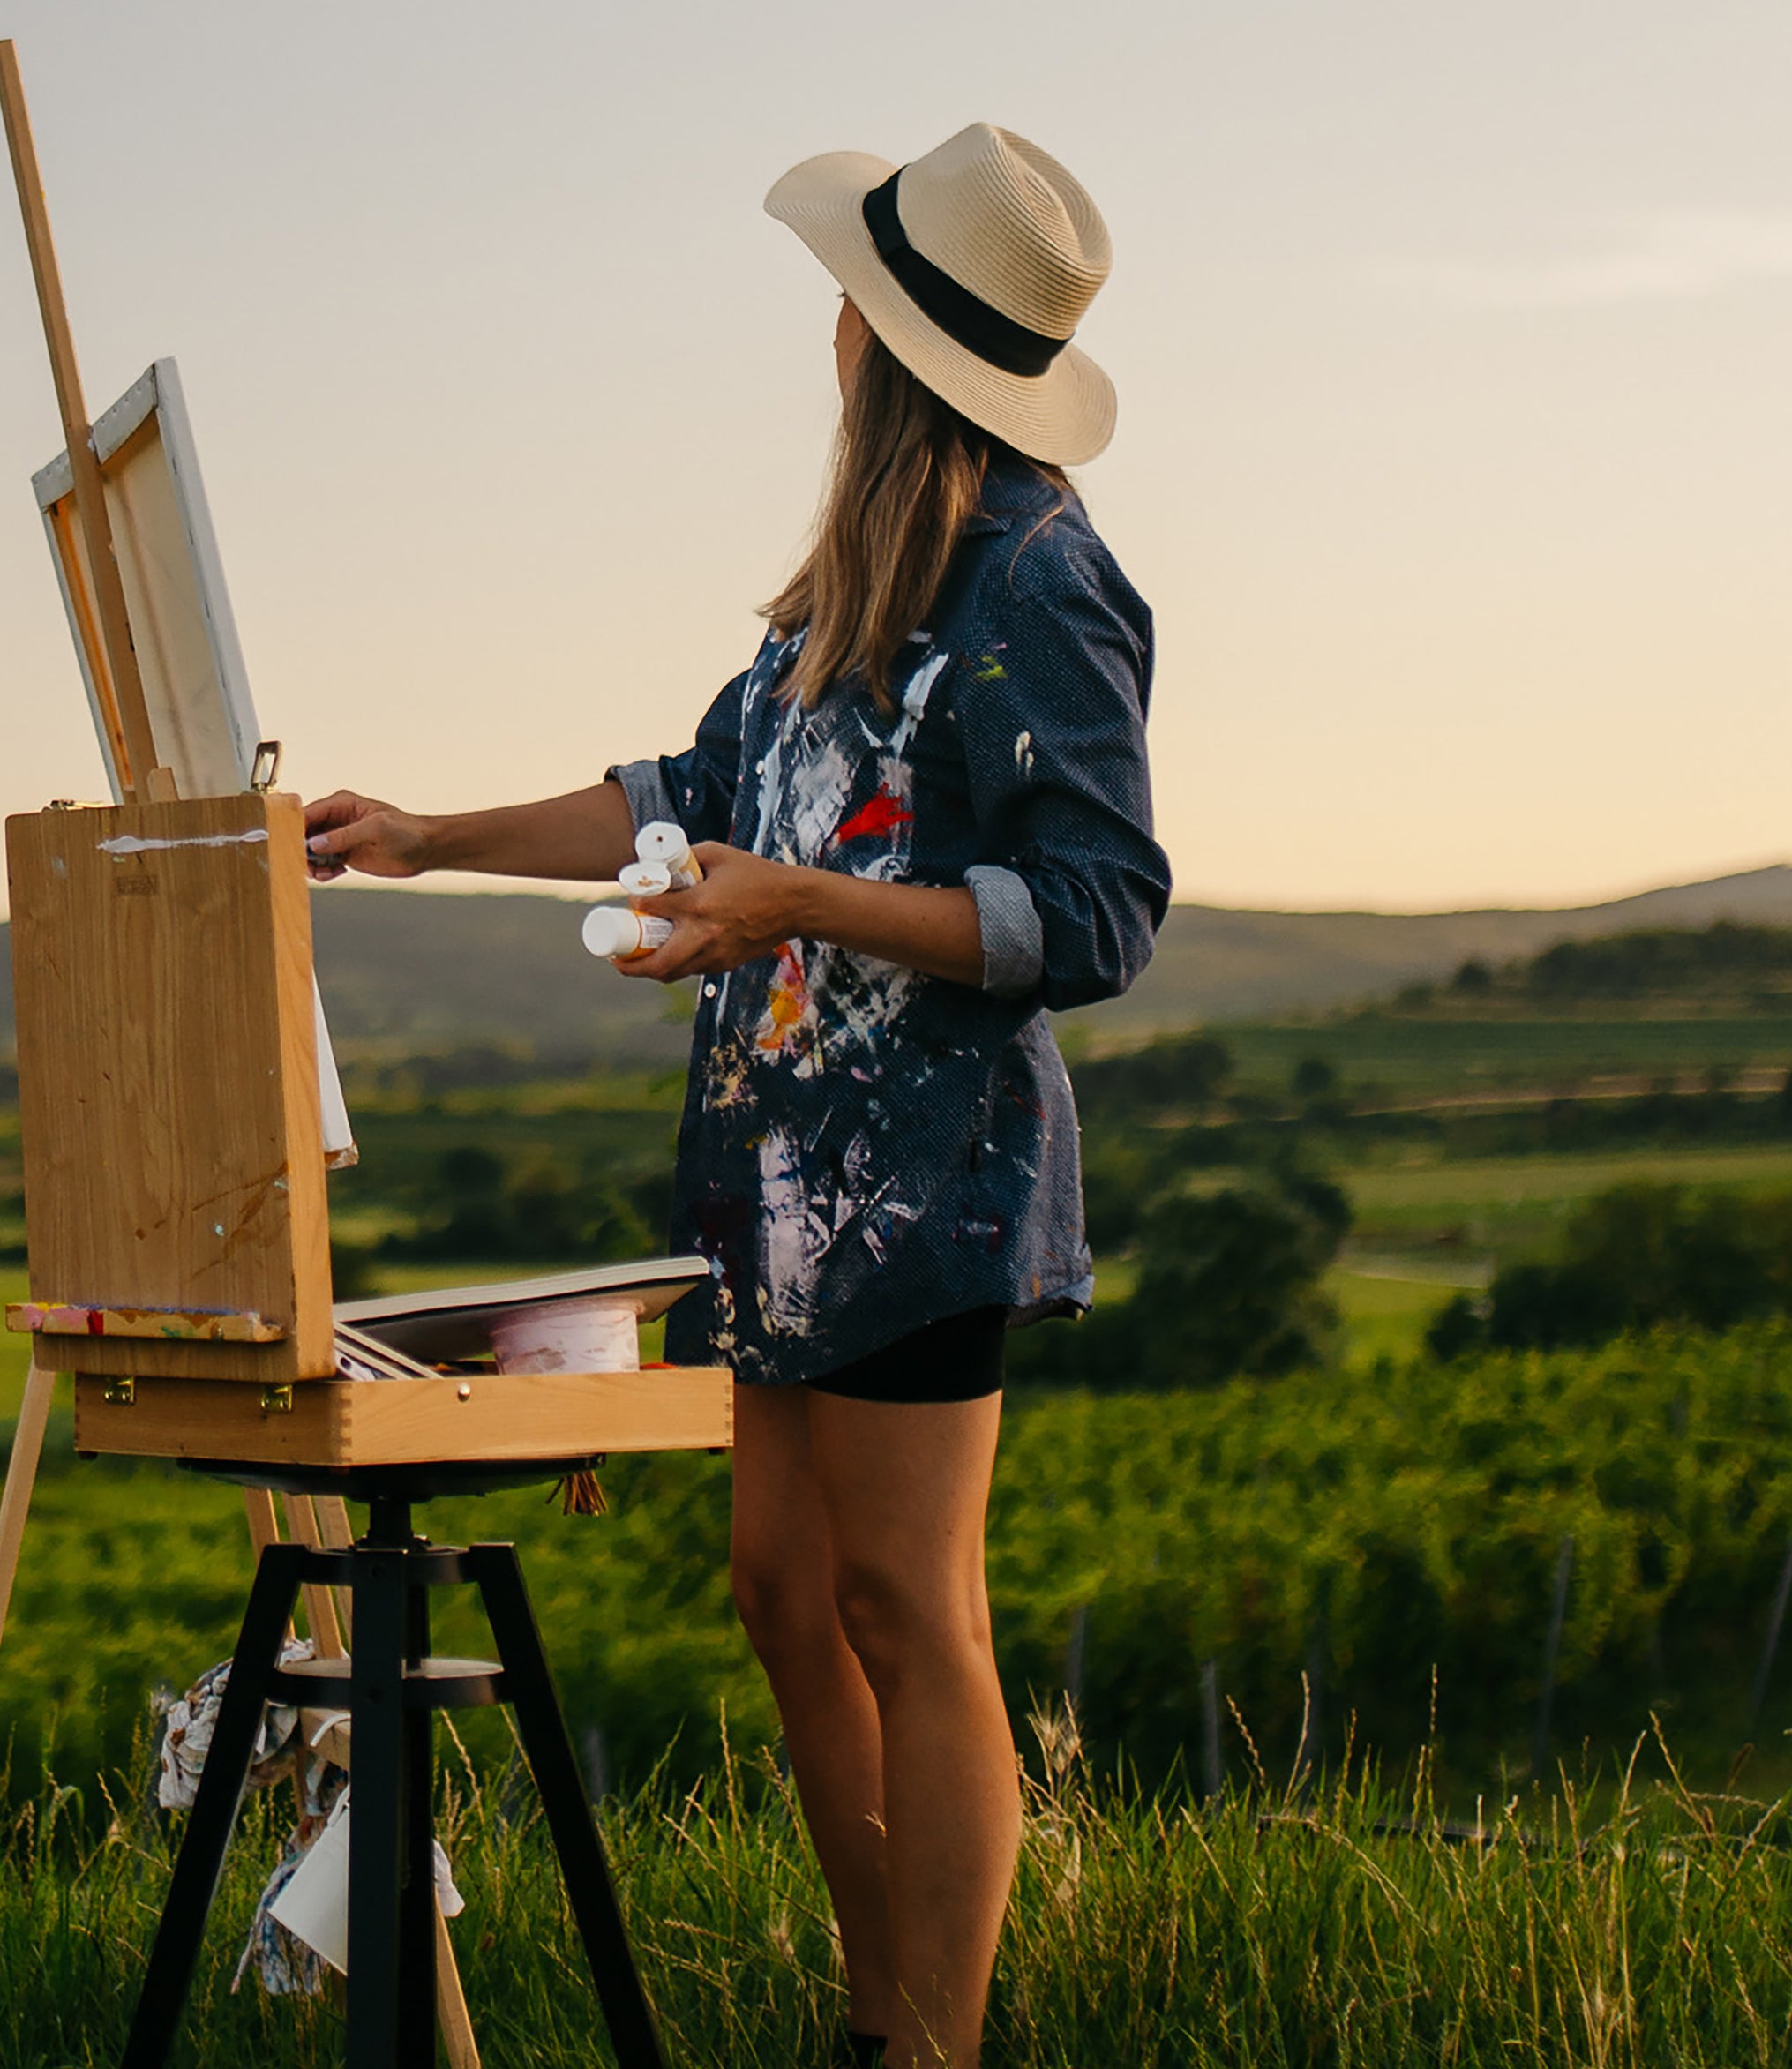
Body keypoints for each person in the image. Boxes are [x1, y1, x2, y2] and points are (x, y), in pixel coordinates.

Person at [300, 123, 1166, 2069]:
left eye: (844, 308)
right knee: (783, 1589)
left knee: (903, 1601)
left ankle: (922, 2043)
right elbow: (676, 799)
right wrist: (430, 832)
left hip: (930, 1178)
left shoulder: (1044, 578)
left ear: (878, 341)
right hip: (778, 1180)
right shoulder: (843, 587)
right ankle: (878, 2009)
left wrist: (794, 905)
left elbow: (1102, 911)